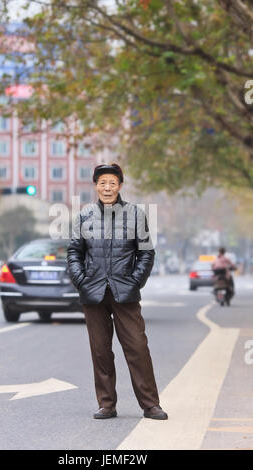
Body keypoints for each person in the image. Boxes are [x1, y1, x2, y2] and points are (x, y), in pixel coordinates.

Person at [67, 163, 168, 420]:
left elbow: (146, 252)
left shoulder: (135, 214)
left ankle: (150, 404)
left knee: (137, 348)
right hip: (94, 293)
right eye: (102, 183)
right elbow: (74, 253)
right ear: (96, 186)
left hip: (125, 292)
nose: (107, 187)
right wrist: (81, 280)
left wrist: (134, 281)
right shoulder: (84, 216)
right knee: (100, 351)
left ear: (120, 186)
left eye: (112, 182)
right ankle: (106, 404)